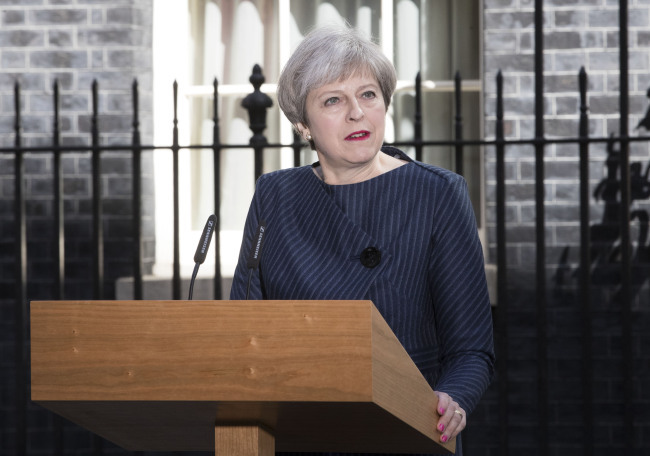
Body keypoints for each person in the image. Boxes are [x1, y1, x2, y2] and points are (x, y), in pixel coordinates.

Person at [230, 24, 495, 456]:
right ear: (303, 125)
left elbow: (471, 349)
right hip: (301, 432)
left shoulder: (437, 193)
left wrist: (453, 400)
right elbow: (243, 330)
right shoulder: (274, 196)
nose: (357, 113)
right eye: (333, 100)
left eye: (368, 94)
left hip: (406, 431)